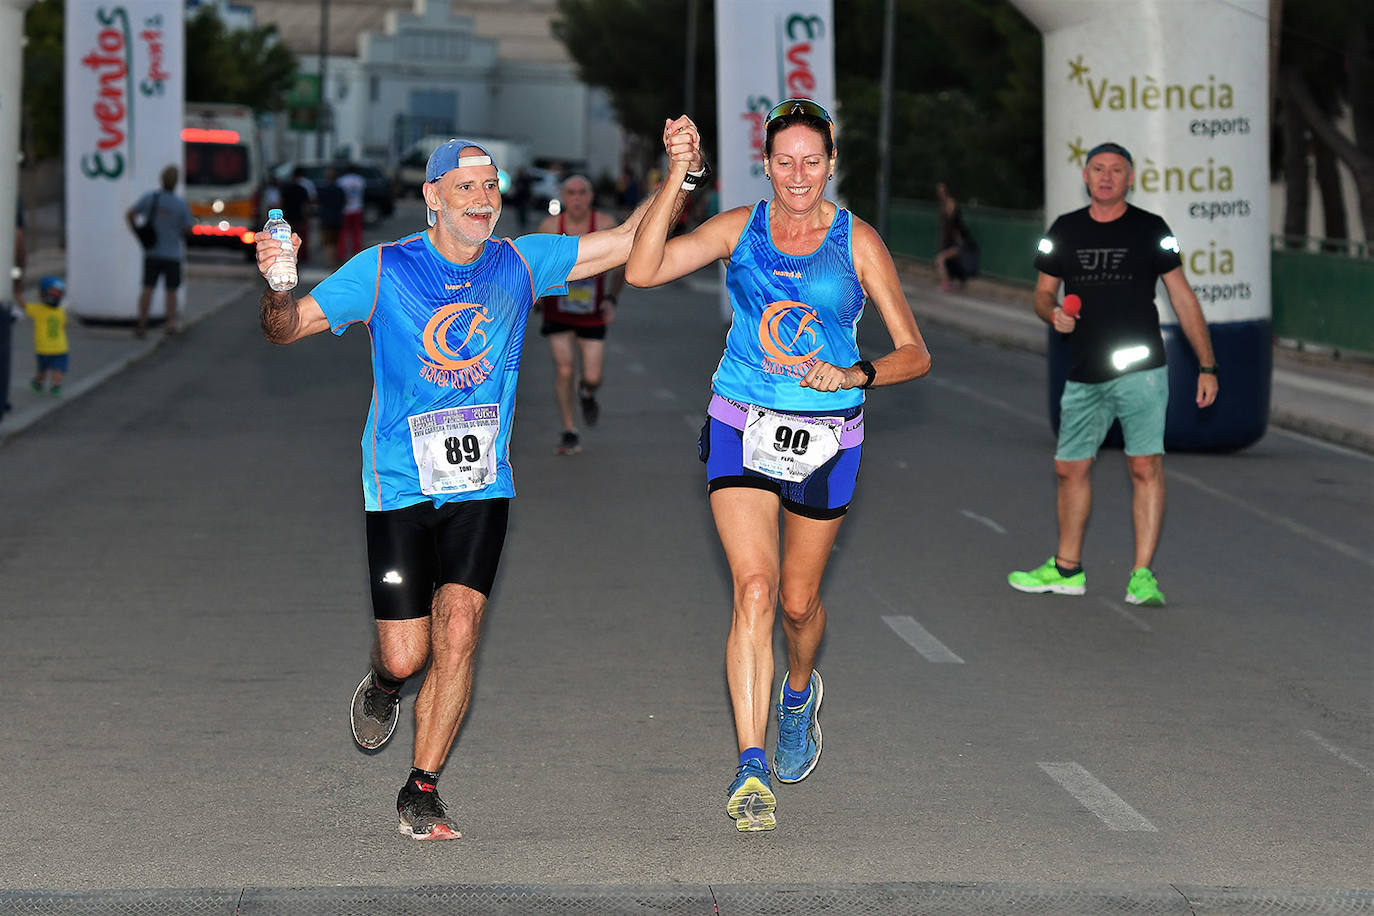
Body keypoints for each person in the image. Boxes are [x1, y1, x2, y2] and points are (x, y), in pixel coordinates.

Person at [254, 130, 697, 842]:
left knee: (458, 631)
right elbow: (286, 329)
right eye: (466, 188)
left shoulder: (520, 263)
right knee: (408, 652)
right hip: (398, 485)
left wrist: (677, 172)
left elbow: (623, 240)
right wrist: (278, 286)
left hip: (481, 484)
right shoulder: (382, 270)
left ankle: (421, 788)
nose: (483, 200)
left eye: (492, 186)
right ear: (433, 198)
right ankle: (385, 683)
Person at [625, 100, 932, 832]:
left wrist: (855, 374)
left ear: (831, 164)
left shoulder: (858, 242)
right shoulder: (740, 227)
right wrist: (677, 175)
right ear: (766, 164)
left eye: (812, 161)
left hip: (828, 437)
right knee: (755, 590)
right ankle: (751, 762)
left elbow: (916, 352)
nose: (799, 176)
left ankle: (798, 694)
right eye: (785, 161)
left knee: (797, 604)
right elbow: (643, 269)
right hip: (742, 419)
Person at [1007, 141, 1218, 607]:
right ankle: (1067, 569)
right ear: (1086, 177)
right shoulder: (1064, 230)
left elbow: (1182, 296)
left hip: (1141, 370)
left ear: (1129, 178)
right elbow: (1042, 294)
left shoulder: (1152, 230)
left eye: (1116, 170)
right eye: (1098, 169)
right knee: (1070, 468)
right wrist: (1053, 313)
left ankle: (1142, 574)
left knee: (1144, 466)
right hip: (1084, 369)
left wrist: (1207, 364)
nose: (1106, 177)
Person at [535, 174, 626, 455]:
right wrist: (538, 295)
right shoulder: (550, 226)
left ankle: (587, 393)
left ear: (591, 196)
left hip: (592, 311)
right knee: (564, 369)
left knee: (593, 376)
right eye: (571, 192)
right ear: (562, 196)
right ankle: (569, 430)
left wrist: (611, 298)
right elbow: (536, 266)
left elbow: (622, 263)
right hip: (557, 310)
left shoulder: (604, 225)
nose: (576, 197)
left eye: (582, 192)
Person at [126, 165, 194, 339]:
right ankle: (170, 324)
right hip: (172, 254)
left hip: (152, 253)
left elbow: (130, 214)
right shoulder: (180, 204)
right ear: (175, 182)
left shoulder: (151, 198)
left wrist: (138, 233)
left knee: (147, 288)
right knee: (171, 291)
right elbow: (188, 229)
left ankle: (142, 324)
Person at [24, 276, 68, 396]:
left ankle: (38, 383)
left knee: (42, 369)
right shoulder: (61, 312)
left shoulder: (38, 310)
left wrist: (16, 291)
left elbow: (23, 305)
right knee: (58, 369)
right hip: (60, 348)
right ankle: (56, 387)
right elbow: (63, 324)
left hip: (43, 348)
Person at [933, 182, 978, 291]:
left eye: (943, 191)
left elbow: (953, 222)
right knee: (945, 261)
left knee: (940, 259)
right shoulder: (943, 205)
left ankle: (947, 283)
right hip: (948, 241)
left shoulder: (951, 204)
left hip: (955, 242)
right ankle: (954, 281)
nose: (941, 193)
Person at [278, 167, 314, 265]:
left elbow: (280, 203)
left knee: (287, 238)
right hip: (300, 217)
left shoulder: (286, 189)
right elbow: (306, 205)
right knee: (300, 238)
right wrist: (307, 218)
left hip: (288, 217)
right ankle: (301, 256)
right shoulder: (302, 189)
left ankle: (288, 255)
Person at [335, 163, 366, 261]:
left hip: (345, 209)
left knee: (343, 233)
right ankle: (357, 253)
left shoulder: (341, 181)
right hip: (357, 208)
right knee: (356, 233)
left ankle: (341, 254)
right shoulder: (360, 180)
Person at [315, 167, 345, 266]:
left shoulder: (323, 189)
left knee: (328, 242)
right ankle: (334, 258)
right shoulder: (339, 190)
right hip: (337, 217)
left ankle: (330, 260)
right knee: (335, 241)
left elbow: (318, 202)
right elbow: (343, 202)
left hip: (326, 217)